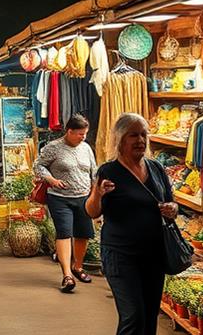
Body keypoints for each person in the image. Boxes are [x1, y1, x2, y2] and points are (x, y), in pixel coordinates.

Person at [85, 113, 178, 335]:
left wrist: (173, 209)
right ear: (120, 139)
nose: (140, 140)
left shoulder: (155, 168)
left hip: (154, 255)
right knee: (133, 316)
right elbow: (92, 211)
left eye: (143, 135)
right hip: (121, 256)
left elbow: (170, 201)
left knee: (148, 316)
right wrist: (97, 194)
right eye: (133, 135)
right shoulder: (109, 171)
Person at [33, 114, 96, 292]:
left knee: (83, 233)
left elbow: (93, 170)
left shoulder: (86, 148)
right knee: (64, 233)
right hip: (60, 198)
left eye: (85, 134)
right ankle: (67, 275)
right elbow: (38, 166)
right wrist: (51, 179)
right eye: (80, 134)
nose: (83, 137)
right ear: (69, 131)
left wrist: (95, 190)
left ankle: (78, 267)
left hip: (83, 197)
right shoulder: (53, 148)